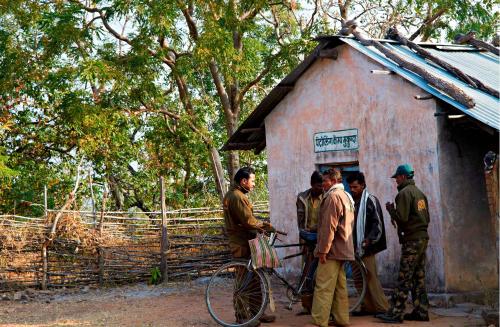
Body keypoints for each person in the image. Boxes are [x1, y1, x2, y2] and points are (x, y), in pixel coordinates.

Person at [376, 164, 431, 323]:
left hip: (412, 240)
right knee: (418, 277)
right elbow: (426, 218)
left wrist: (391, 210)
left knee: (404, 277)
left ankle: (396, 312)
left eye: (397, 177)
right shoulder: (419, 193)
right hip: (422, 238)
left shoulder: (404, 194)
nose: (396, 181)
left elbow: (402, 218)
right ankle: (421, 311)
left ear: (403, 177)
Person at [223, 167, 276, 326]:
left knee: (254, 279)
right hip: (241, 244)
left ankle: (257, 313)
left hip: (248, 242)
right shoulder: (237, 197)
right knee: (243, 282)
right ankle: (242, 316)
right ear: (243, 181)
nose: (253, 184)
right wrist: (267, 226)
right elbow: (248, 221)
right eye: (252, 181)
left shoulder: (236, 195)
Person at [306, 168, 355, 327]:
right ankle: (342, 319)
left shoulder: (332, 197)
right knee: (340, 287)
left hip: (332, 251)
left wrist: (323, 251)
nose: (323, 184)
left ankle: (319, 321)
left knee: (323, 287)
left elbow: (329, 228)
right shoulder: (346, 196)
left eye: (325, 181)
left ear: (334, 181)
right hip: (343, 249)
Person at [346, 172, 389, 316]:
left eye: (355, 187)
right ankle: (367, 307)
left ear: (363, 185)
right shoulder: (350, 202)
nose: (352, 189)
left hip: (367, 247)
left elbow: (378, 225)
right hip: (352, 248)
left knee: (371, 277)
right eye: (351, 187)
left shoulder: (371, 200)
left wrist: (369, 240)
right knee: (358, 279)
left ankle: (383, 308)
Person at [296, 171, 324, 313]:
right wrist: (304, 236)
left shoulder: (326, 197)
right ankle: (307, 306)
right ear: (312, 185)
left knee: (319, 274)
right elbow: (299, 222)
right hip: (307, 239)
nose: (321, 188)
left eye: (323, 185)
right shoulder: (302, 198)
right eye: (319, 185)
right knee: (306, 272)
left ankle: (318, 306)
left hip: (321, 239)